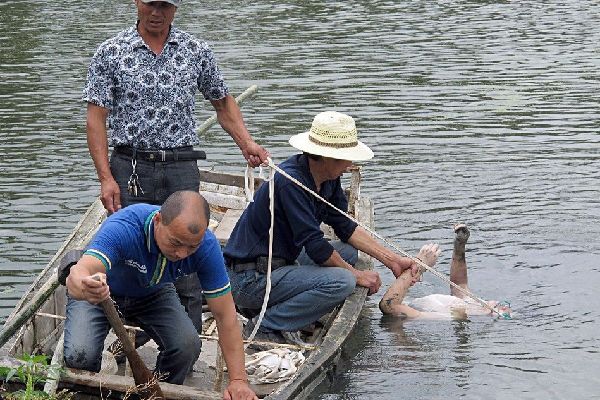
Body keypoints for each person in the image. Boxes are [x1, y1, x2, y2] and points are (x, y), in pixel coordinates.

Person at [83, 0, 269, 345]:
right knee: (133, 249)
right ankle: (129, 337)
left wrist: (247, 143)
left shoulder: (196, 50)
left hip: (181, 165)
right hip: (131, 164)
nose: (157, 13)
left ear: (175, 8)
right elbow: (97, 118)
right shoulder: (111, 51)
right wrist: (106, 177)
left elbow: (223, 102)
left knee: (186, 248)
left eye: (165, 6)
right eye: (151, 4)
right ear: (138, 3)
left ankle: (187, 341)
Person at [223, 111, 426, 344]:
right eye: (346, 158)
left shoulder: (328, 179)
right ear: (326, 156)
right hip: (251, 279)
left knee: (349, 253)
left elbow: (345, 226)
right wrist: (358, 276)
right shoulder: (291, 182)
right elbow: (316, 246)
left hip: (281, 262)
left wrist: (392, 260)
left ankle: (291, 306)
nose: (350, 164)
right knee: (343, 281)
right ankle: (266, 325)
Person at [63, 191, 257, 399]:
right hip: (101, 293)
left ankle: (154, 394)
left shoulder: (207, 248)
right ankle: (90, 394)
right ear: (158, 221)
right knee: (79, 355)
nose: (181, 254)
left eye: (191, 246)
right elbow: (79, 274)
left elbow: (225, 315)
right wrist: (84, 286)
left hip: (153, 292)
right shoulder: (124, 228)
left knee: (187, 347)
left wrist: (238, 381)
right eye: (175, 243)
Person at [379, 224, 512, 320]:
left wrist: (420, 265)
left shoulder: (442, 316)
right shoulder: (467, 304)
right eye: (502, 305)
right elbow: (459, 285)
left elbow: (389, 306)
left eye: (500, 308)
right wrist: (460, 246)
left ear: (491, 314)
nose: (499, 304)